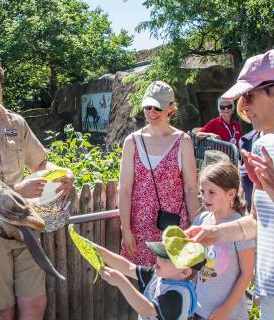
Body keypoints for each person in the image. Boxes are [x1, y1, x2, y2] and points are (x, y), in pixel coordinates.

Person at [0, 54, 73, 319]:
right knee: (4, 312)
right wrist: (18, 191)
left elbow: (41, 163)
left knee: (36, 303)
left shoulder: (16, 124)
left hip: (23, 227)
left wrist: (64, 174)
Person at [187, 49, 274, 319]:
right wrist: (213, 234)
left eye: (249, 95)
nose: (243, 107)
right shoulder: (263, 146)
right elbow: (254, 222)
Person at [119, 80, 199, 266]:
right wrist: (126, 229)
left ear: (171, 108)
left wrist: (194, 226)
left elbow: (190, 189)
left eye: (158, 108)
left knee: (173, 283)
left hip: (174, 228)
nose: (151, 113)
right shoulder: (132, 141)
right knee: (141, 282)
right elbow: (124, 190)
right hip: (139, 228)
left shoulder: (183, 141)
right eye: (148, 107)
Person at [96, 226, 206, 320]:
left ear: (184, 272)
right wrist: (98, 251)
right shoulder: (158, 275)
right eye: (159, 255)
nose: (158, 259)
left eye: (165, 259)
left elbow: (148, 310)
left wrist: (121, 282)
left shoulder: (178, 296)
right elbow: (128, 267)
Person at [193, 163, 255, 320]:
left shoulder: (240, 227)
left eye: (211, 192)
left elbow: (247, 273)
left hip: (229, 314)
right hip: (199, 309)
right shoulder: (201, 220)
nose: (204, 197)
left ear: (230, 194)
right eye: (202, 191)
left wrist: (226, 308)